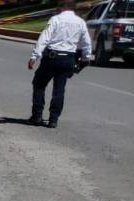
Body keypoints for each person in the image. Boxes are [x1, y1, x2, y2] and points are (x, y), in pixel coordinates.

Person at [28, 0, 91, 129]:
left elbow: (44, 37)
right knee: (59, 89)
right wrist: (85, 58)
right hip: (68, 59)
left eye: (58, 7)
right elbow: (86, 42)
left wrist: (35, 56)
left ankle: (37, 116)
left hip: (52, 57)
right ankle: (53, 119)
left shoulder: (55, 19)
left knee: (39, 84)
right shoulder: (80, 22)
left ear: (63, 7)